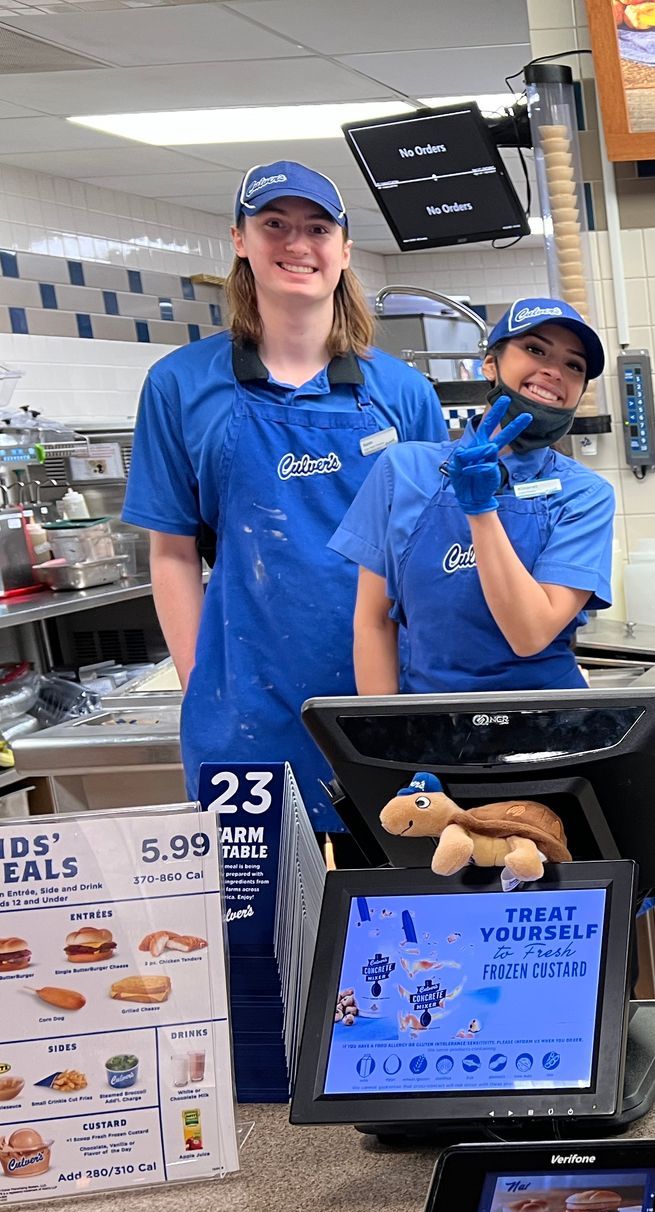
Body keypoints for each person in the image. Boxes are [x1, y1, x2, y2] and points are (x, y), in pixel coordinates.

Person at [123, 160, 446, 835]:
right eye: (275, 225)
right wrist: (201, 687)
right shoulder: (181, 385)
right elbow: (173, 553)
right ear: (240, 238)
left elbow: (434, 555)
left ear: (344, 248)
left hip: (385, 704)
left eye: (317, 228)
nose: (298, 245)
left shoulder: (403, 394)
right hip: (248, 717)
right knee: (264, 936)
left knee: (397, 929)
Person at [330, 298, 616, 694]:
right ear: (490, 365)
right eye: (535, 349)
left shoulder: (585, 495)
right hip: (430, 726)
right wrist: (385, 741)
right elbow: (374, 622)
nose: (554, 371)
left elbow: (529, 634)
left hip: (550, 725)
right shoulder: (403, 471)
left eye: (574, 366)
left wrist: (481, 511)